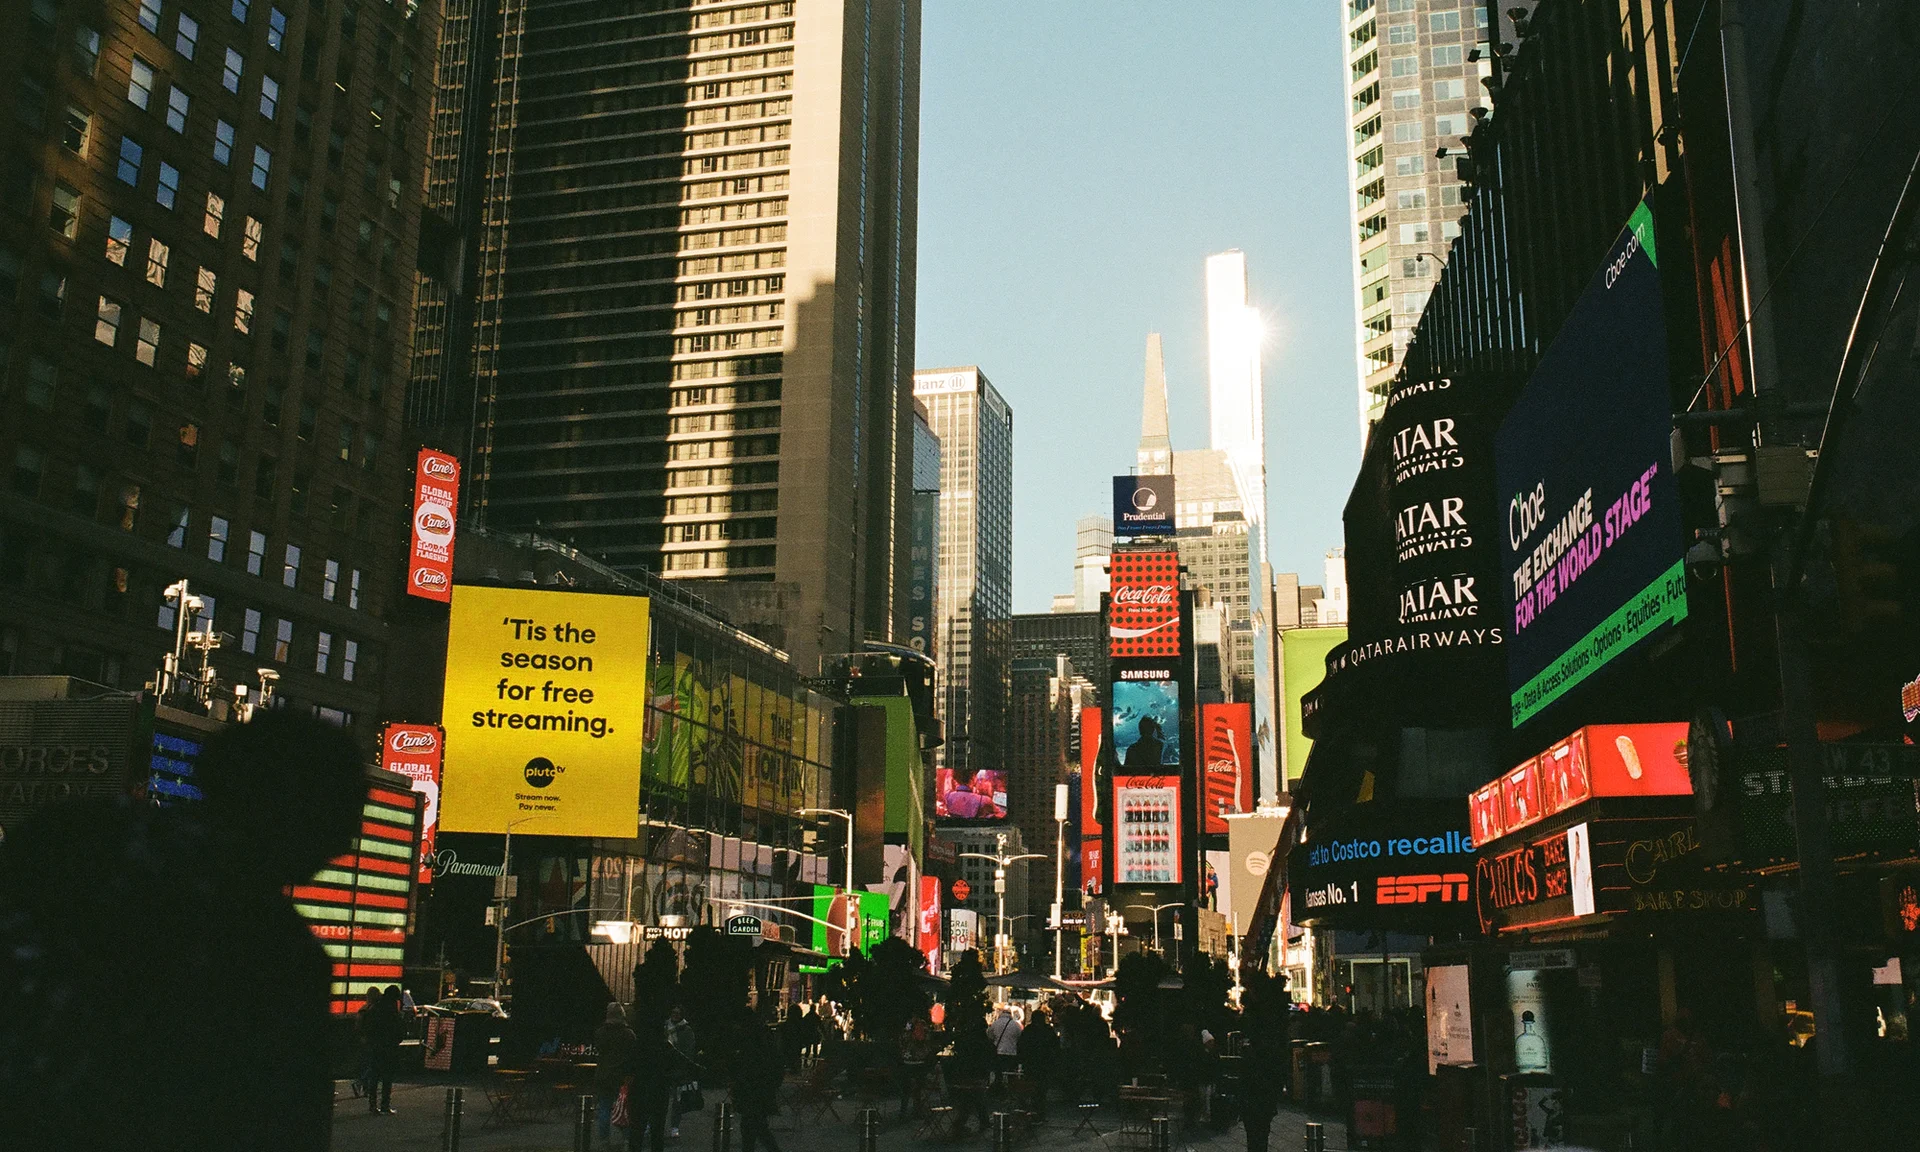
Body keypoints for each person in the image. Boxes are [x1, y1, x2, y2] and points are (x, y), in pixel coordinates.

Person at [0, 711, 366, 1152]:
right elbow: (275, 1125)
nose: (347, 841)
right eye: (343, 814)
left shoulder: (73, 835)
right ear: (293, 812)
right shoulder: (278, 957)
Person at [1239, 975, 1291, 1152]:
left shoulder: (1260, 1026)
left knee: (1255, 1131)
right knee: (1260, 1131)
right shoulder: (1274, 1026)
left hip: (1257, 1086)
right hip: (1265, 1086)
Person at [731, 1009, 786, 1152]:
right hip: (761, 1089)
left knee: (754, 1128)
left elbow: (745, 1065)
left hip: (753, 1089)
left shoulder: (749, 1039)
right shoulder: (764, 1036)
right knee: (756, 1128)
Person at [594, 1003, 637, 1147]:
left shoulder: (600, 1032)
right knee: (623, 1108)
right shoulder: (628, 1034)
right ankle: (627, 1138)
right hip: (621, 1076)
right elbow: (632, 1056)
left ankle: (604, 1140)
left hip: (603, 1074)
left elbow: (600, 1050)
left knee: (604, 1108)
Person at [362, 986, 408, 1114]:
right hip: (389, 1047)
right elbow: (398, 1029)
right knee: (387, 1077)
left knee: (374, 1076)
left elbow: (368, 1026)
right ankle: (385, 1105)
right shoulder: (392, 1009)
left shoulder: (375, 1008)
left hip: (376, 1046)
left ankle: (372, 1105)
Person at [1015, 1007, 1059, 1115]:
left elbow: (1021, 1046)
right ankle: (1040, 1110)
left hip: (1030, 1063)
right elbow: (1055, 1046)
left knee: (1031, 1087)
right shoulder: (1048, 1031)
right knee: (1042, 1089)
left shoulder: (1028, 1030)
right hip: (1044, 1064)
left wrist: (1022, 1059)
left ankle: (1032, 1109)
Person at [665, 1005, 699, 1137]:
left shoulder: (686, 1030)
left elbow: (689, 1051)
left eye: (678, 1013)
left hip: (678, 1069)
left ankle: (674, 1126)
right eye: (673, 1012)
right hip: (665, 1068)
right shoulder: (665, 1027)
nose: (675, 1015)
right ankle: (652, 1125)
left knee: (677, 1100)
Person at [989, 1004, 1024, 1086]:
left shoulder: (995, 1024)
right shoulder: (1016, 1025)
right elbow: (1020, 1038)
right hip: (1012, 1052)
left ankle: (998, 1087)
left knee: (998, 1072)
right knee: (1010, 1072)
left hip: (998, 1052)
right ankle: (1009, 1087)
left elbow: (990, 1036)